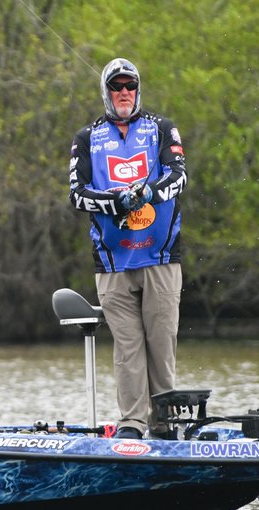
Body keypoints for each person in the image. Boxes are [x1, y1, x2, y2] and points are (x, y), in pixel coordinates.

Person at [67, 58, 188, 440]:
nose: (124, 92)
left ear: (138, 89)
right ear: (106, 91)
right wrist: (114, 201)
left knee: (161, 344)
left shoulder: (162, 128)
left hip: (161, 257)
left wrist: (148, 191)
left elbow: (179, 176)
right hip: (112, 262)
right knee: (128, 348)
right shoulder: (86, 137)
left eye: (130, 85)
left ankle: (165, 424)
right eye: (116, 86)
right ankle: (132, 426)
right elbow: (76, 194)